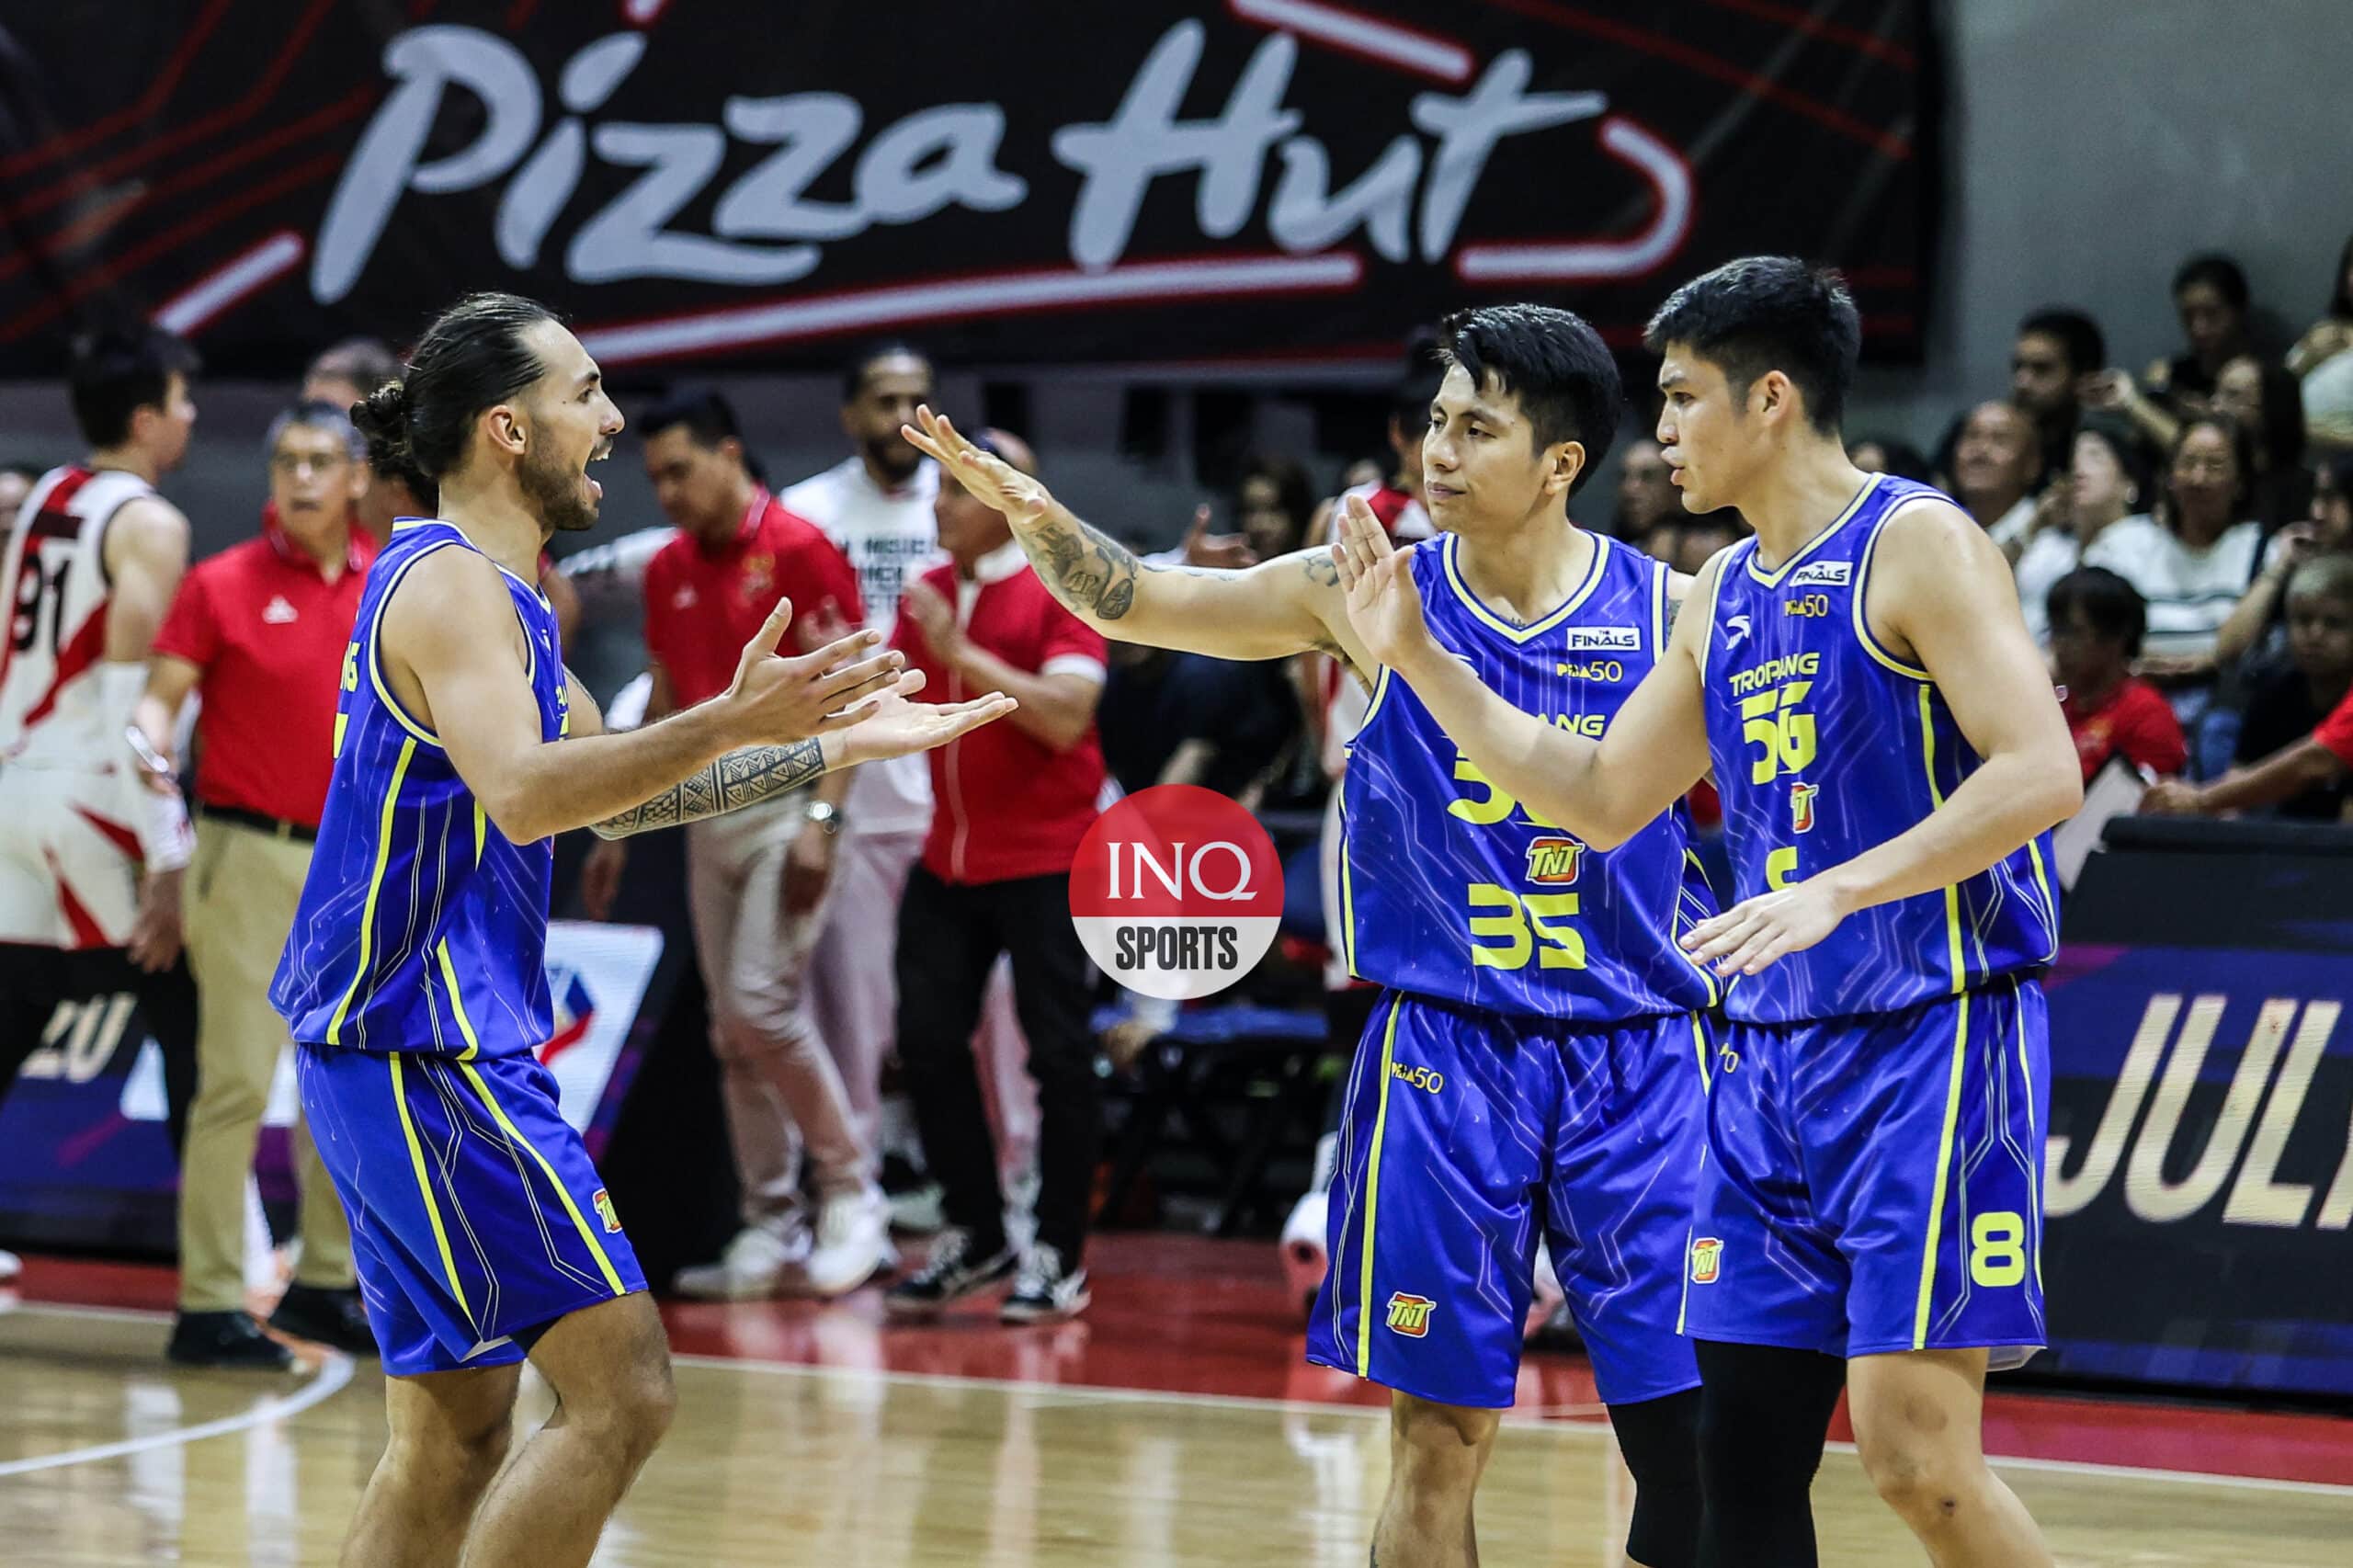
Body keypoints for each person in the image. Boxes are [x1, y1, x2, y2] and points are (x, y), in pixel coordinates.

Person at [904, 302, 1715, 1568]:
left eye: (1475, 429)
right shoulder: (1357, 587)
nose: (1436, 453)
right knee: (1438, 1433)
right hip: (1452, 1051)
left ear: (1560, 463)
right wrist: (1039, 520)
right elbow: (1145, 600)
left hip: (1638, 1056)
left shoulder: (1673, 608)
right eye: (1436, 423)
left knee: (1685, 1428)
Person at [1330, 257, 2076, 1568]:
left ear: (1770, 398)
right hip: (1767, 1063)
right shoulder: (1723, 592)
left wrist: (1837, 888)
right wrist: (1421, 658)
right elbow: (1600, 794)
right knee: (1731, 1461)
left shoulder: (1919, 543)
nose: (1659, 428)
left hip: (1932, 1036)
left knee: (1914, 1463)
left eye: (1680, 397)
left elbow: (2041, 771)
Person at [268, 292, 1011, 1568]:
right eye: (586, 393)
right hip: (423, 1045)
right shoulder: (450, 585)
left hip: (387, 1042)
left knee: (454, 1432)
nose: (610, 421)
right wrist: (732, 718)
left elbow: (617, 781)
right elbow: (524, 790)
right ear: (506, 428)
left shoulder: (499, 593)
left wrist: (821, 743)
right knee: (625, 1391)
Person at [579, 388, 892, 1300]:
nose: (667, 491)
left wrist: (824, 822)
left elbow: (856, 693)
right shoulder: (670, 565)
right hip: (705, 813)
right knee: (728, 1028)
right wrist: (617, 827)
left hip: (792, 799)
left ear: (730, 452)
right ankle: (768, 1221)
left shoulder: (796, 547)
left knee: (759, 1003)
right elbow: (672, 702)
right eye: (655, 477)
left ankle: (851, 1192)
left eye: (681, 470)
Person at [134, 402, 380, 1369]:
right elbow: (160, 701)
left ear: (358, 475)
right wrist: (153, 750)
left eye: (321, 461)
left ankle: (324, 1281)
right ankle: (206, 1303)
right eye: (286, 462)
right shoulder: (220, 583)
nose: (301, 478)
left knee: (344, 1087)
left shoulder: (392, 586)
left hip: (357, 861)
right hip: (244, 854)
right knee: (233, 1084)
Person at [880, 429, 1111, 1324]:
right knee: (927, 1042)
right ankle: (977, 1232)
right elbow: (892, 697)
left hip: (1050, 857)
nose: (938, 506)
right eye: (938, 490)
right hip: (949, 855)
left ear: (1008, 499)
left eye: (955, 491)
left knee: (1058, 1055)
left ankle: (1058, 1249)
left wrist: (961, 654)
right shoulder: (931, 591)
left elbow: (1066, 715)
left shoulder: (1064, 584)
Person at [0, 326, 205, 1294]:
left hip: (11, 779)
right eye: (181, 399)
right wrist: (169, 854)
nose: (193, 416)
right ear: (144, 418)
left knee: (10, 1007)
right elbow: (135, 706)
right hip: (89, 796)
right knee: (190, 1009)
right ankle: (227, 1266)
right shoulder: (150, 522)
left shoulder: (39, 494)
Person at [2210, 553, 2353, 820]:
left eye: (2334, 623)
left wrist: (2200, 799)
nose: (2315, 635)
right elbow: (2237, 780)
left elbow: (2314, 763)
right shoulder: (2276, 690)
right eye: (2303, 620)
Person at [2009, 418, 2147, 646]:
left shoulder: (2147, 539)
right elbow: (1986, 583)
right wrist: (2034, 524)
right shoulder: (2050, 544)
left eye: (2095, 457)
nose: (2079, 470)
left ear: (2129, 484)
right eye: (2075, 460)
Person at [2047, 568, 2186, 782]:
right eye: (2056, 631)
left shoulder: (2147, 715)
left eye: (2073, 632)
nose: (2059, 646)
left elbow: (2144, 805)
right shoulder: (2053, 705)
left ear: (2116, 638)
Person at [2011, 309, 2106, 485]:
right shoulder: (1973, 440)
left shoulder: (2099, 454)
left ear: (2084, 376)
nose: (2021, 383)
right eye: (2017, 367)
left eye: (2041, 369)